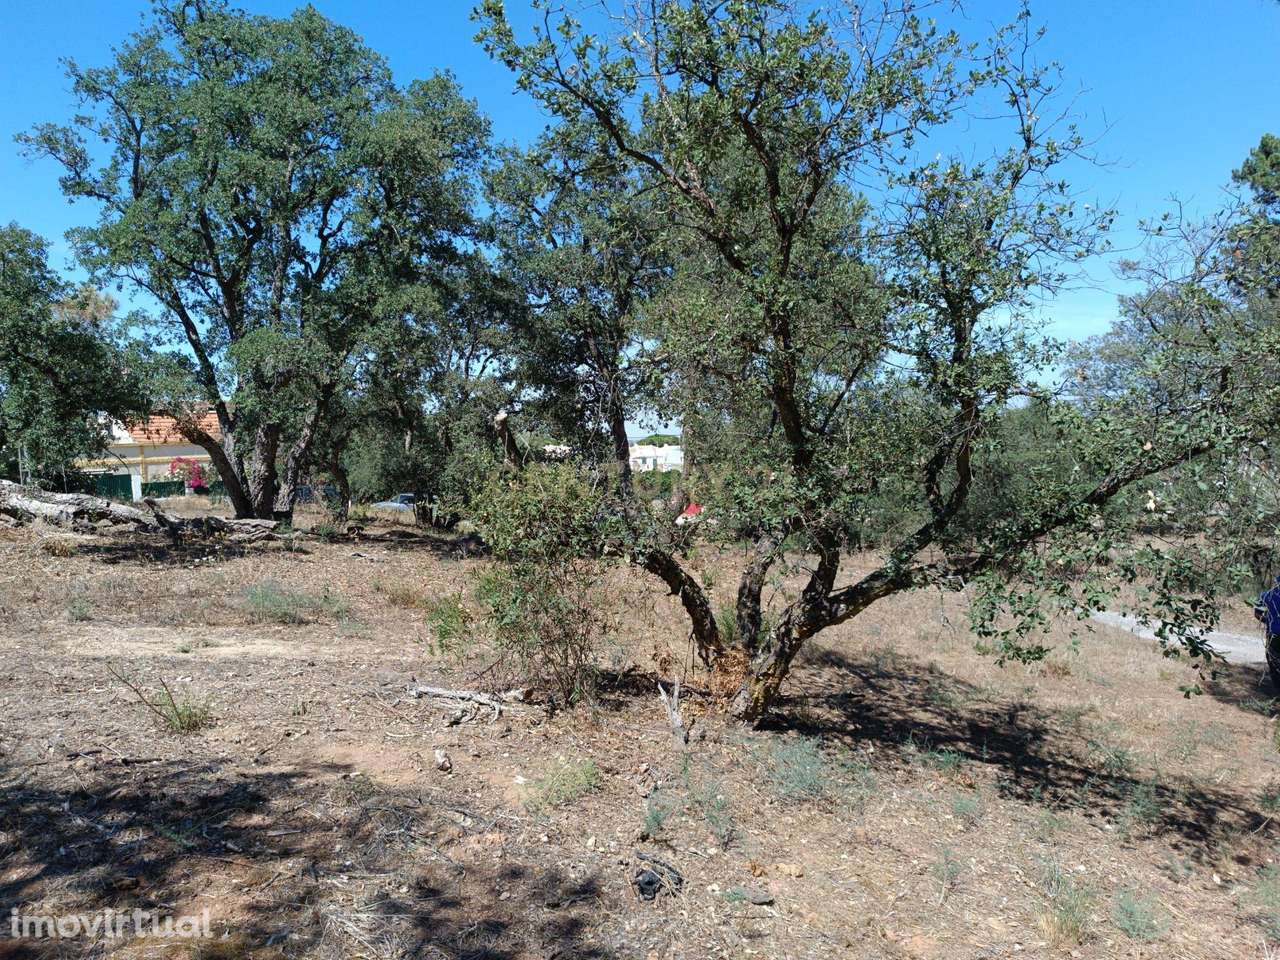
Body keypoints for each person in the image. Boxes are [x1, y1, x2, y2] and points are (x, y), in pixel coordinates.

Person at [1254, 576, 1280, 688]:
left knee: (1274, 663)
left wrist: (1269, 621)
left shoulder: (1266, 595)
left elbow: (1257, 614)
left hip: (1273, 635)